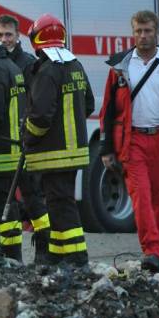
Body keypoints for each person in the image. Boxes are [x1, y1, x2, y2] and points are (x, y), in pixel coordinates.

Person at [99, 10, 159, 273]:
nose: (143, 36)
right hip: (132, 142)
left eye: (148, 31)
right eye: (138, 31)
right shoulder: (120, 66)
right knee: (141, 198)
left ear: (157, 33)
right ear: (133, 33)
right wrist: (106, 148)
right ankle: (152, 250)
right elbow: (108, 110)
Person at [0, 31, 51, 262]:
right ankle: (43, 248)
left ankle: (11, 254)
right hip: (16, 148)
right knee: (30, 201)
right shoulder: (11, 67)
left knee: (0, 204)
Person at [23, 14, 94, 267]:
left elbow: (40, 116)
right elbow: (88, 104)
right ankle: (56, 254)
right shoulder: (75, 65)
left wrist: (27, 137)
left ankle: (76, 257)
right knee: (57, 204)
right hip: (74, 151)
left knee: (61, 205)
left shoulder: (47, 70)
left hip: (53, 152)